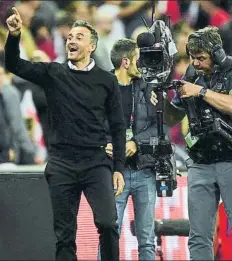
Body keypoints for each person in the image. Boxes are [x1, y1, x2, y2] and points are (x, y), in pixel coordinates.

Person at [5, 7, 126, 261]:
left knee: (107, 223)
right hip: (61, 164)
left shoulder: (106, 80)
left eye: (78, 37)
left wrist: (118, 168)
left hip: (96, 163)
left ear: (92, 46)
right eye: (69, 36)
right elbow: (13, 64)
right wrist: (14, 35)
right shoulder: (54, 73)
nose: (71, 40)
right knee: (64, 236)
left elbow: (117, 127)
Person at [151, 26, 232, 260]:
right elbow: (172, 118)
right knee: (198, 235)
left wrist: (201, 92)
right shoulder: (190, 74)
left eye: (201, 58)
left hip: (230, 158)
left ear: (216, 54)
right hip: (199, 163)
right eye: (192, 58)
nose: (195, 63)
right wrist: (162, 103)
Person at [99, 38, 157, 260]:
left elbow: (159, 128)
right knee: (110, 235)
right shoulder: (101, 87)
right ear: (125, 62)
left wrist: (136, 143)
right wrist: (104, 145)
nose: (140, 65)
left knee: (147, 240)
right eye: (137, 60)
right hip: (113, 173)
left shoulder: (147, 87)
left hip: (144, 170)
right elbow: (91, 124)